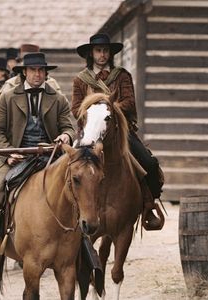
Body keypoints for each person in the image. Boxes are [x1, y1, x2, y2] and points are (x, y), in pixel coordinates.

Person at [0, 52, 75, 281]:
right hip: (15, 156)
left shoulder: (58, 98)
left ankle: (83, 246)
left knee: (78, 187)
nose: (37, 74)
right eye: (33, 70)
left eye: (42, 71)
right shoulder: (8, 96)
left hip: (50, 157)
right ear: (24, 72)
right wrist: (8, 151)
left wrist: (65, 135)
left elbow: (69, 127)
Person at [71, 33, 164, 231]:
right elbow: (75, 108)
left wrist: (109, 110)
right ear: (91, 53)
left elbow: (130, 102)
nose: (102, 55)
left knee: (148, 163)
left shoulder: (122, 75)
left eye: (105, 51)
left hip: (119, 130)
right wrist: (94, 112)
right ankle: (69, 209)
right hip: (90, 133)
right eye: (98, 51)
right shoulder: (80, 80)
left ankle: (148, 204)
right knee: (68, 166)